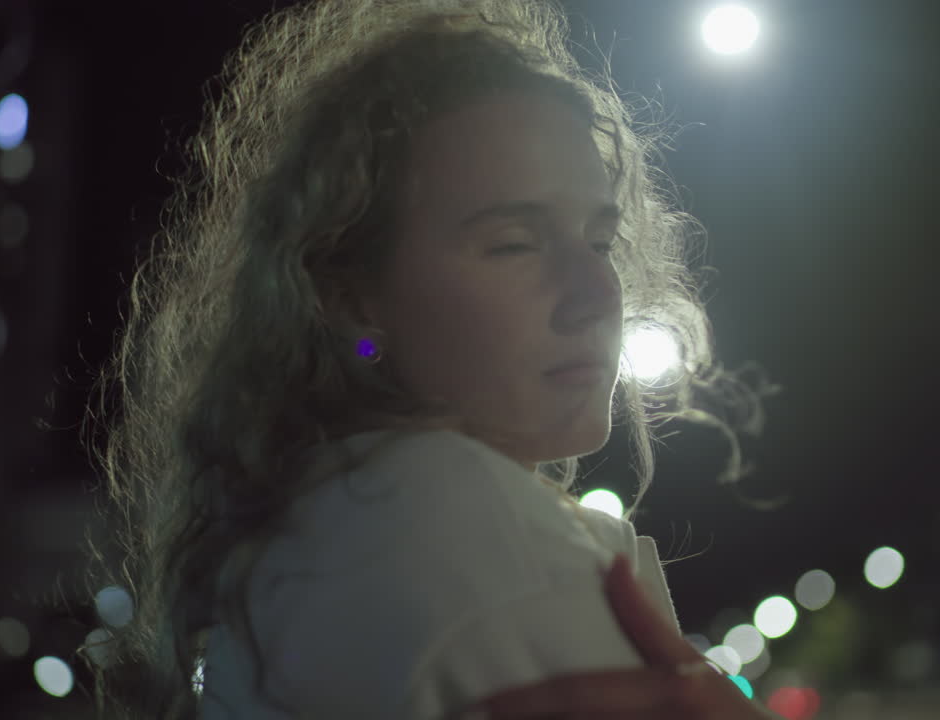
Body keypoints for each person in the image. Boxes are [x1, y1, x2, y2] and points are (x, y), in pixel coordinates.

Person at [80, 0, 773, 718]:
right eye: (513, 243)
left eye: (599, 242)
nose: (597, 295)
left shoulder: (322, 519)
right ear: (352, 297)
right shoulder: (470, 533)